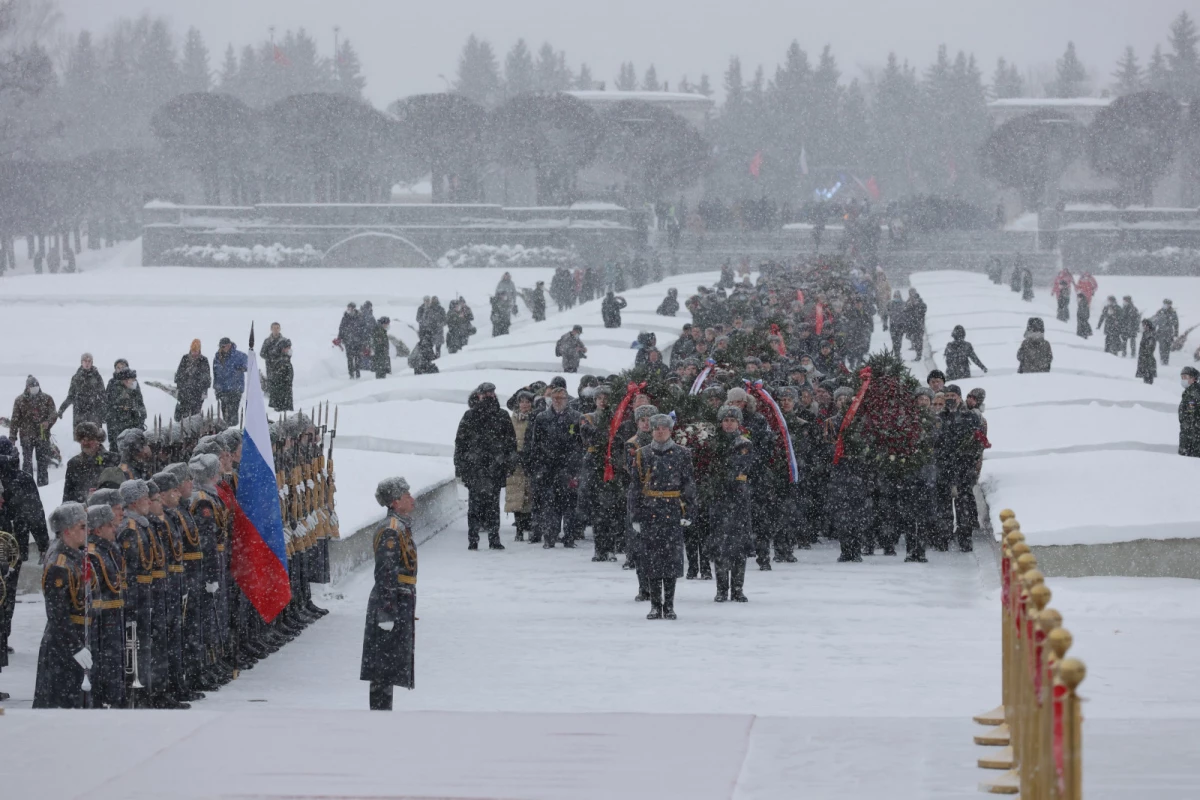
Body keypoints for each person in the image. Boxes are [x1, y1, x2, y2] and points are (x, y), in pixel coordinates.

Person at [627, 414, 696, 620]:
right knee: (652, 560)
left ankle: (670, 605)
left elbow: (688, 485)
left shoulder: (683, 454)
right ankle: (655, 605)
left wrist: (689, 511)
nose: (660, 431)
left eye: (664, 428)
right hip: (650, 510)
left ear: (670, 430)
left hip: (673, 509)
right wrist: (635, 515)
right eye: (656, 428)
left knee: (671, 560)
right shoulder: (642, 454)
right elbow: (635, 487)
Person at [361, 477, 417, 711]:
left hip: (399, 600)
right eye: (406, 495)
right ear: (395, 502)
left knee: (389, 665)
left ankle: (384, 712)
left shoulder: (399, 526)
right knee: (383, 667)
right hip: (391, 602)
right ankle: (380, 716)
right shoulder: (391, 531)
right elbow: (386, 573)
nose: (411, 499)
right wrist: (386, 611)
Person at [32, 502, 90, 709]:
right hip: (63, 644)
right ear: (67, 530)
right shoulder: (60, 563)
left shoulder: (76, 555)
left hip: (76, 636)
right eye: (82, 527)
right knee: (60, 704)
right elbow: (57, 614)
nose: (87, 531)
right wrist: (75, 647)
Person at [0, 438, 50, 676]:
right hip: (13, 547)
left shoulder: (21, 480)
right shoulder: (22, 479)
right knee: (7, 595)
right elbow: (35, 513)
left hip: (12, 544)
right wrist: (42, 543)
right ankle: (2, 637)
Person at [453, 383, 517, 550]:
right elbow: (460, 444)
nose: (489, 396)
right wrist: (460, 467)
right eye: (486, 393)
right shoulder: (469, 416)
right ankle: (473, 540)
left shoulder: (502, 415)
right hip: (474, 468)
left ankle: (494, 538)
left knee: (493, 505)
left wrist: (509, 463)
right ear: (479, 395)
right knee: (474, 505)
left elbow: (510, 442)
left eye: (491, 393)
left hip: (495, 467)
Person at [524, 386, 584, 548]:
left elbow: (581, 445)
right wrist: (537, 466)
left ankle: (569, 536)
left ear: (567, 399)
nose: (557, 401)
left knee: (570, 504)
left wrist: (575, 467)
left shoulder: (576, 417)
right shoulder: (542, 418)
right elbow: (536, 444)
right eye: (554, 398)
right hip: (548, 468)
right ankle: (550, 536)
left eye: (561, 398)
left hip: (570, 468)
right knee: (550, 504)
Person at [706, 406, 755, 602]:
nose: (728, 424)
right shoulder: (709, 442)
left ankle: (737, 588)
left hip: (737, 497)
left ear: (738, 423)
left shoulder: (744, 443)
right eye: (725, 420)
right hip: (718, 497)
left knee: (738, 545)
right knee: (720, 544)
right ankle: (721, 589)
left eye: (732, 421)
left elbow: (739, 466)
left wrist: (721, 472)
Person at [84, 502, 126, 708]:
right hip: (102, 621)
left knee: (113, 663)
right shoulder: (94, 554)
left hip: (112, 617)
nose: (115, 527)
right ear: (98, 529)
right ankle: (105, 700)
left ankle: (114, 698)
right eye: (110, 525)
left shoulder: (108, 549)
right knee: (103, 666)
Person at [10, 375, 57, 485]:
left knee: (42, 462)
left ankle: (44, 485)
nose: (35, 390)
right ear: (27, 388)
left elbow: (53, 414)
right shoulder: (19, 400)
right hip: (26, 436)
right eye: (32, 388)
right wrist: (12, 437)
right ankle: (27, 485)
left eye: (36, 387)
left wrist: (48, 422)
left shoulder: (47, 398)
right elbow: (15, 420)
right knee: (27, 462)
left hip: (42, 435)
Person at [505, 391, 536, 541]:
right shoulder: (512, 420)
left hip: (529, 462)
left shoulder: (535, 419)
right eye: (522, 401)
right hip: (515, 464)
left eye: (527, 402)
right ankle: (518, 528)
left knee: (529, 495)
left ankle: (528, 526)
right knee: (516, 496)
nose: (525, 405)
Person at [62, 422, 117, 503]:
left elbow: (120, 491)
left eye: (89, 439)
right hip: (82, 512)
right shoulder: (73, 463)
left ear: (99, 440)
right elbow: (68, 497)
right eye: (82, 439)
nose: (85, 443)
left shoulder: (113, 459)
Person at [58, 353, 107, 433]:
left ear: (92, 363)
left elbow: (103, 396)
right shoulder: (76, 377)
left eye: (89, 361)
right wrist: (62, 409)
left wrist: (104, 413)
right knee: (83, 439)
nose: (87, 363)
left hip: (94, 411)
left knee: (95, 439)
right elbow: (71, 396)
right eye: (85, 361)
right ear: (81, 362)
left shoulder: (97, 377)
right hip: (79, 412)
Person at [105, 361, 146, 443]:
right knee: (117, 445)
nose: (120, 369)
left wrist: (142, 416)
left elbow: (139, 401)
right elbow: (108, 402)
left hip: (131, 422)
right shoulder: (113, 384)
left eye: (123, 367)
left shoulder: (133, 385)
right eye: (118, 367)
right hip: (117, 423)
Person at [212, 337, 248, 425]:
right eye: (222, 346)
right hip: (222, 389)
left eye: (226, 345)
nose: (224, 348)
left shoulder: (239, 355)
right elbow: (215, 374)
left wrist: (241, 368)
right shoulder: (217, 357)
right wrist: (216, 388)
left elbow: (248, 364)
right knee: (225, 412)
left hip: (235, 388)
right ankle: (226, 431)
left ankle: (233, 432)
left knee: (233, 412)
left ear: (230, 345)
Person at [338, 303, 365, 378]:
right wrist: (339, 338)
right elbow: (341, 328)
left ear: (354, 308)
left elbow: (362, 329)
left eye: (350, 308)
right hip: (348, 341)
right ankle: (351, 374)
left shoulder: (359, 317)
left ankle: (357, 372)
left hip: (357, 342)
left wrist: (362, 340)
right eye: (348, 308)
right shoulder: (345, 318)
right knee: (349, 358)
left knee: (357, 358)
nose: (348, 309)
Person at [268, 339, 294, 411]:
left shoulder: (285, 359)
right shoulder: (281, 361)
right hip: (281, 397)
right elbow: (277, 379)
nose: (290, 350)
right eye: (288, 348)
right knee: (282, 415)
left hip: (284, 394)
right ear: (283, 349)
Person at [1180, 367, 1200, 457]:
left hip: (1193, 436)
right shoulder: (1190, 391)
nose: (1183, 379)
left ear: (1193, 378)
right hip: (1189, 433)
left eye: (1185, 377)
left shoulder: (1194, 393)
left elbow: (1193, 415)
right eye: (1182, 377)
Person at [1153, 299, 1179, 366]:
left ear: (1170, 305)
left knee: (1167, 348)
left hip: (1169, 333)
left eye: (1167, 304)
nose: (1165, 305)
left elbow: (1176, 323)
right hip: (1160, 332)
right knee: (1162, 347)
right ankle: (1162, 360)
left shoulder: (1173, 312)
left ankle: (1166, 361)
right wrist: (1153, 331)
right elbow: (1155, 322)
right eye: (1164, 304)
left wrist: (1176, 333)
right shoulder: (1159, 311)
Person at [1137, 319, 1158, 385]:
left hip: (1148, 359)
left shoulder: (1150, 334)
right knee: (1145, 377)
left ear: (1147, 325)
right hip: (1144, 358)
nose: (1143, 327)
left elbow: (1150, 347)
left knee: (1148, 378)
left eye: (1144, 325)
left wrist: (1144, 353)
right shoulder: (1145, 333)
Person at [888, 290, 907, 359]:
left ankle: (898, 353)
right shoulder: (890, 304)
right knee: (894, 340)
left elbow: (906, 315)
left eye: (897, 296)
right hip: (893, 325)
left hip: (900, 325)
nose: (896, 297)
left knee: (899, 340)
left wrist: (905, 324)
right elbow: (887, 312)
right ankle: (896, 353)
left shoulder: (904, 304)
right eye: (895, 296)